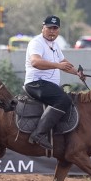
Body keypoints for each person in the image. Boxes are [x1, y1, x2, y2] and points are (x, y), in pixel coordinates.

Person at [24, 15, 84, 149]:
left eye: (55, 28)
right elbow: (35, 62)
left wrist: (77, 73)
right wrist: (57, 65)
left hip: (48, 85)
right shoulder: (36, 42)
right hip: (36, 83)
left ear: (58, 30)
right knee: (64, 100)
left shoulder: (55, 45)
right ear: (43, 28)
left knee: (68, 98)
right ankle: (38, 135)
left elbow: (63, 63)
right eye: (49, 28)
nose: (52, 31)